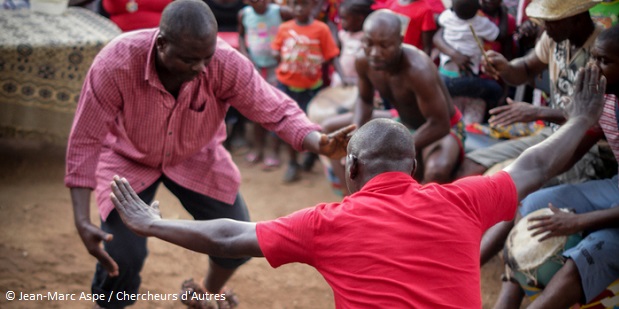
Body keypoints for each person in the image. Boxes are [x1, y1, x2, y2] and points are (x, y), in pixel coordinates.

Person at [111, 64, 607, 308]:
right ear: (413, 165)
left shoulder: (326, 223)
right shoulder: (464, 198)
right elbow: (533, 166)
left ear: (350, 169)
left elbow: (227, 237)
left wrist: (154, 223)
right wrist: (581, 118)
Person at [64, 1, 353, 308]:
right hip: (127, 157)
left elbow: (274, 108)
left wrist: (317, 142)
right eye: (190, 60)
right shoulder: (116, 62)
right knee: (121, 255)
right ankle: (110, 304)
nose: (201, 68)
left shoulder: (223, 62)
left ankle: (204, 293)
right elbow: (85, 139)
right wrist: (82, 220)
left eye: (206, 58)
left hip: (197, 155)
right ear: (161, 44)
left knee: (238, 242)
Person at [491, 24, 619, 309]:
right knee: (532, 204)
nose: (594, 68)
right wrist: (534, 177)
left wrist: (578, 222)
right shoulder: (606, 100)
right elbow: (573, 151)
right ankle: (505, 303)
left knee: (584, 257)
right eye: (594, 58)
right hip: (615, 187)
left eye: (604, 61)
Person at [455, 0, 605, 183]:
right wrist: (506, 67)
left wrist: (538, 112)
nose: (545, 27)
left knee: (502, 177)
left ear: (577, 19)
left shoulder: (604, 51)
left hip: (585, 148)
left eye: (552, 21)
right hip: (552, 134)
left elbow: (597, 120)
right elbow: (526, 68)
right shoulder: (554, 38)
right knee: (471, 164)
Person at [354, 9, 465, 184]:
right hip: (404, 124)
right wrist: (357, 138)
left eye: (384, 45)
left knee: (436, 171)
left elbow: (440, 124)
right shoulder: (363, 61)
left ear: (400, 41)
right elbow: (364, 100)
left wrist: (398, 149)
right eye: (368, 43)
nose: (374, 52)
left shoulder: (418, 70)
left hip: (442, 128)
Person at [272, 0, 340, 182]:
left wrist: (344, 76)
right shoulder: (284, 28)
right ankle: (293, 163)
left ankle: (310, 157)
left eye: (304, 4)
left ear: (314, 6)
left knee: (312, 124)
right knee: (287, 125)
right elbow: (276, 51)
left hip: (311, 88)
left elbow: (332, 55)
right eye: (295, 4)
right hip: (286, 86)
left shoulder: (321, 29)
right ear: (290, 7)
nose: (300, 8)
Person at [238, 0, 293, 170]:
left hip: (276, 68)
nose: (259, 3)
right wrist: (245, 55)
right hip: (255, 68)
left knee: (274, 110)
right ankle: (258, 147)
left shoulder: (280, 12)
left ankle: (273, 151)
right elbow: (241, 35)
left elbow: (296, 25)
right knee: (256, 111)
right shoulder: (244, 15)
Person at [436, 0, 499, 78]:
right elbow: (497, 34)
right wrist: (504, 13)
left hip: (444, 70)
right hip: (468, 72)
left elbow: (439, 20)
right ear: (478, 8)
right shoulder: (481, 23)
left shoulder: (447, 16)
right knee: (495, 89)